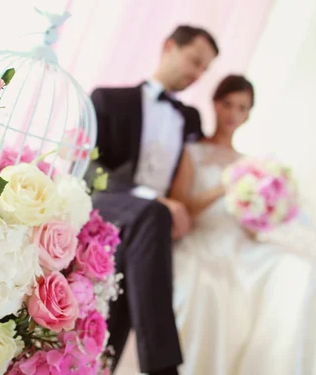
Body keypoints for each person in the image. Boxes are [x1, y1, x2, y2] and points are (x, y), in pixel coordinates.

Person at [169, 75, 316, 374]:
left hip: (241, 242)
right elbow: (181, 207)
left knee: (300, 271)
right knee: (212, 291)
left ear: (248, 114)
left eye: (241, 108)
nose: (232, 114)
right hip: (202, 240)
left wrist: (264, 210)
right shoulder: (193, 152)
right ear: (215, 104)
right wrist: (223, 187)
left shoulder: (252, 163)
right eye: (227, 104)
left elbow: (250, 226)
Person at [88, 25, 219, 375]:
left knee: (140, 255)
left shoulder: (189, 119)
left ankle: (101, 367)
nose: (197, 74)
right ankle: (163, 369)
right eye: (195, 61)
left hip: (148, 229)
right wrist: (156, 201)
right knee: (154, 216)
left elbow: (201, 169)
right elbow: (90, 172)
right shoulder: (108, 99)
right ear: (169, 47)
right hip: (109, 205)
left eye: (205, 69)